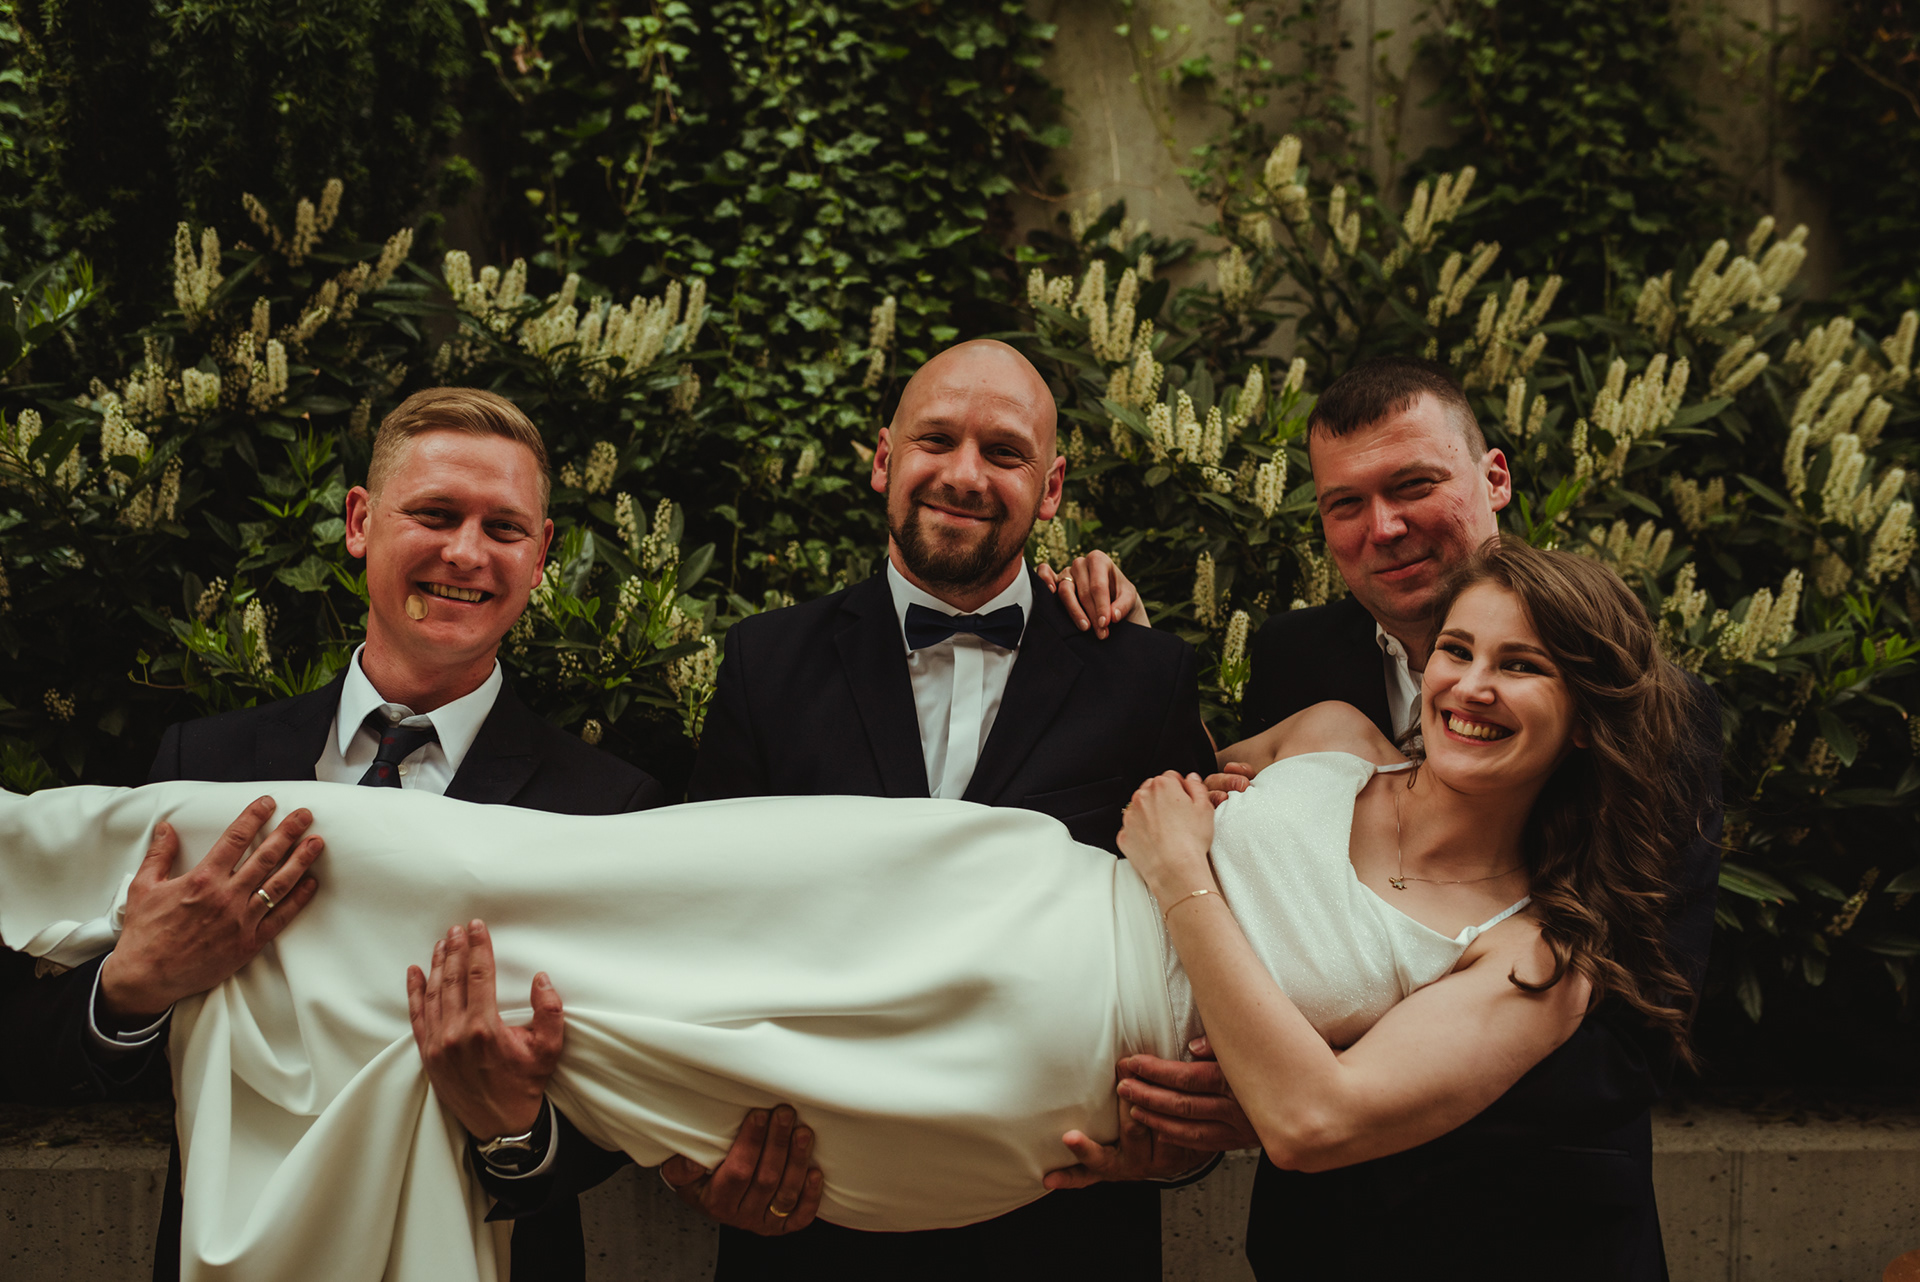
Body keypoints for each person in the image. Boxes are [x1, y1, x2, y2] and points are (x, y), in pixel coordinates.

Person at [0, 541, 1703, 1282]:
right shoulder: (1330, 733)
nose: (1469, 684)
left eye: (1521, 667)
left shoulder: (1540, 952)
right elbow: (1140, 744)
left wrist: (1190, 910)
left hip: (1030, 1073)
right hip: (963, 882)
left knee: (579, 1037)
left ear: (1592, 706)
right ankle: (49, 857)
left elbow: (1320, 1116)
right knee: (534, 881)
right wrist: (1095, 591)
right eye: (1458, 649)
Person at [427, 337, 1216, 1282]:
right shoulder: (765, 666)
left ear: (1050, 490)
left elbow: (1203, 960)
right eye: (936, 441)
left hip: (1065, 1235)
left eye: (1004, 453)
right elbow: (695, 943)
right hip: (809, 1236)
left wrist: (1185, 1144)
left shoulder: (1145, 677)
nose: (965, 475)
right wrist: (699, 1169)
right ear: (885, 460)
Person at [0, 388, 813, 1282]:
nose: (465, 552)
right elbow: (33, 1050)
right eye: (434, 514)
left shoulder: (612, 806)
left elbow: (621, 1107)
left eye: (504, 528)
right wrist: (130, 988)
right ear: (360, 522)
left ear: (540, 556)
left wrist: (513, 1127)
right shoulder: (205, 763)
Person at [1104, 356, 1722, 1280]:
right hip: (1318, 1240)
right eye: (1344, 504)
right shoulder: (1300, 664)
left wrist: (1295, 1078)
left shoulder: (1651, 711)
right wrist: (1119, 651)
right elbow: (1179, 818)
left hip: (1535, 1236)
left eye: (1414, 486)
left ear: (1494, 477)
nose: (1382, 527)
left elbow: (1632, 1038)